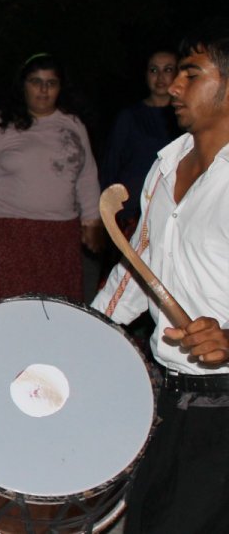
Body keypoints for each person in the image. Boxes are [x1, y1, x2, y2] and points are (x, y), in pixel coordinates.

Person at [93, 29, 229, 533]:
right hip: (170, 392)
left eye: (192, 74)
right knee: (146, 517)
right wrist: (89, 332)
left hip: (224, 404)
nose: (173, 86)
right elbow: (139, 266)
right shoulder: (168, 161)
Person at [0, 53, 101, 309]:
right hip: (3, 234)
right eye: (36, 82)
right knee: (6, 310)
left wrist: (91, 220)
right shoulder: (0, 124)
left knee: (55, 312)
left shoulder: (73, 124)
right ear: (23, 85)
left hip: (58, 236)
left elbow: (87, 174)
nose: (43, 90)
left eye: (51, 83)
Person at [100, 48, 181, 234]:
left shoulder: (184, 117)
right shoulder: (129, 116)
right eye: (154, 70)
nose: (160, 76)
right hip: (132, 212)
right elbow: (111, 164)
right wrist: (108, 209)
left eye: (168, 70)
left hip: (173, 210)